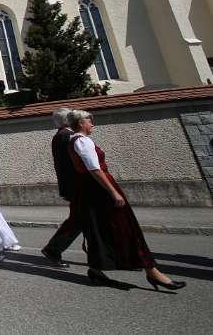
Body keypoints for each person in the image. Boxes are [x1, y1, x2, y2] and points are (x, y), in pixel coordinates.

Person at [66, 110, 185, 290]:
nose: (92, 124)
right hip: (99, 189)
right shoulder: (82, 141)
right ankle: (152, 271)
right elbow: (94, 169)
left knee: (100, 229)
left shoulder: (73, 140)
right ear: (81, 123)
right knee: (126, 227)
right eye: (90, 121)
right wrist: (114, 192)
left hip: (90, 189)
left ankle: (97, 269)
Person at [42, 107, 78, 267]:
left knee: (82, 221)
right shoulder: (66, 136)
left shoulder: (63, 136)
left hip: (73, 186)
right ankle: (53, 248)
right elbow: (69, 166)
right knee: (78, 221)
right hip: (78, 186)